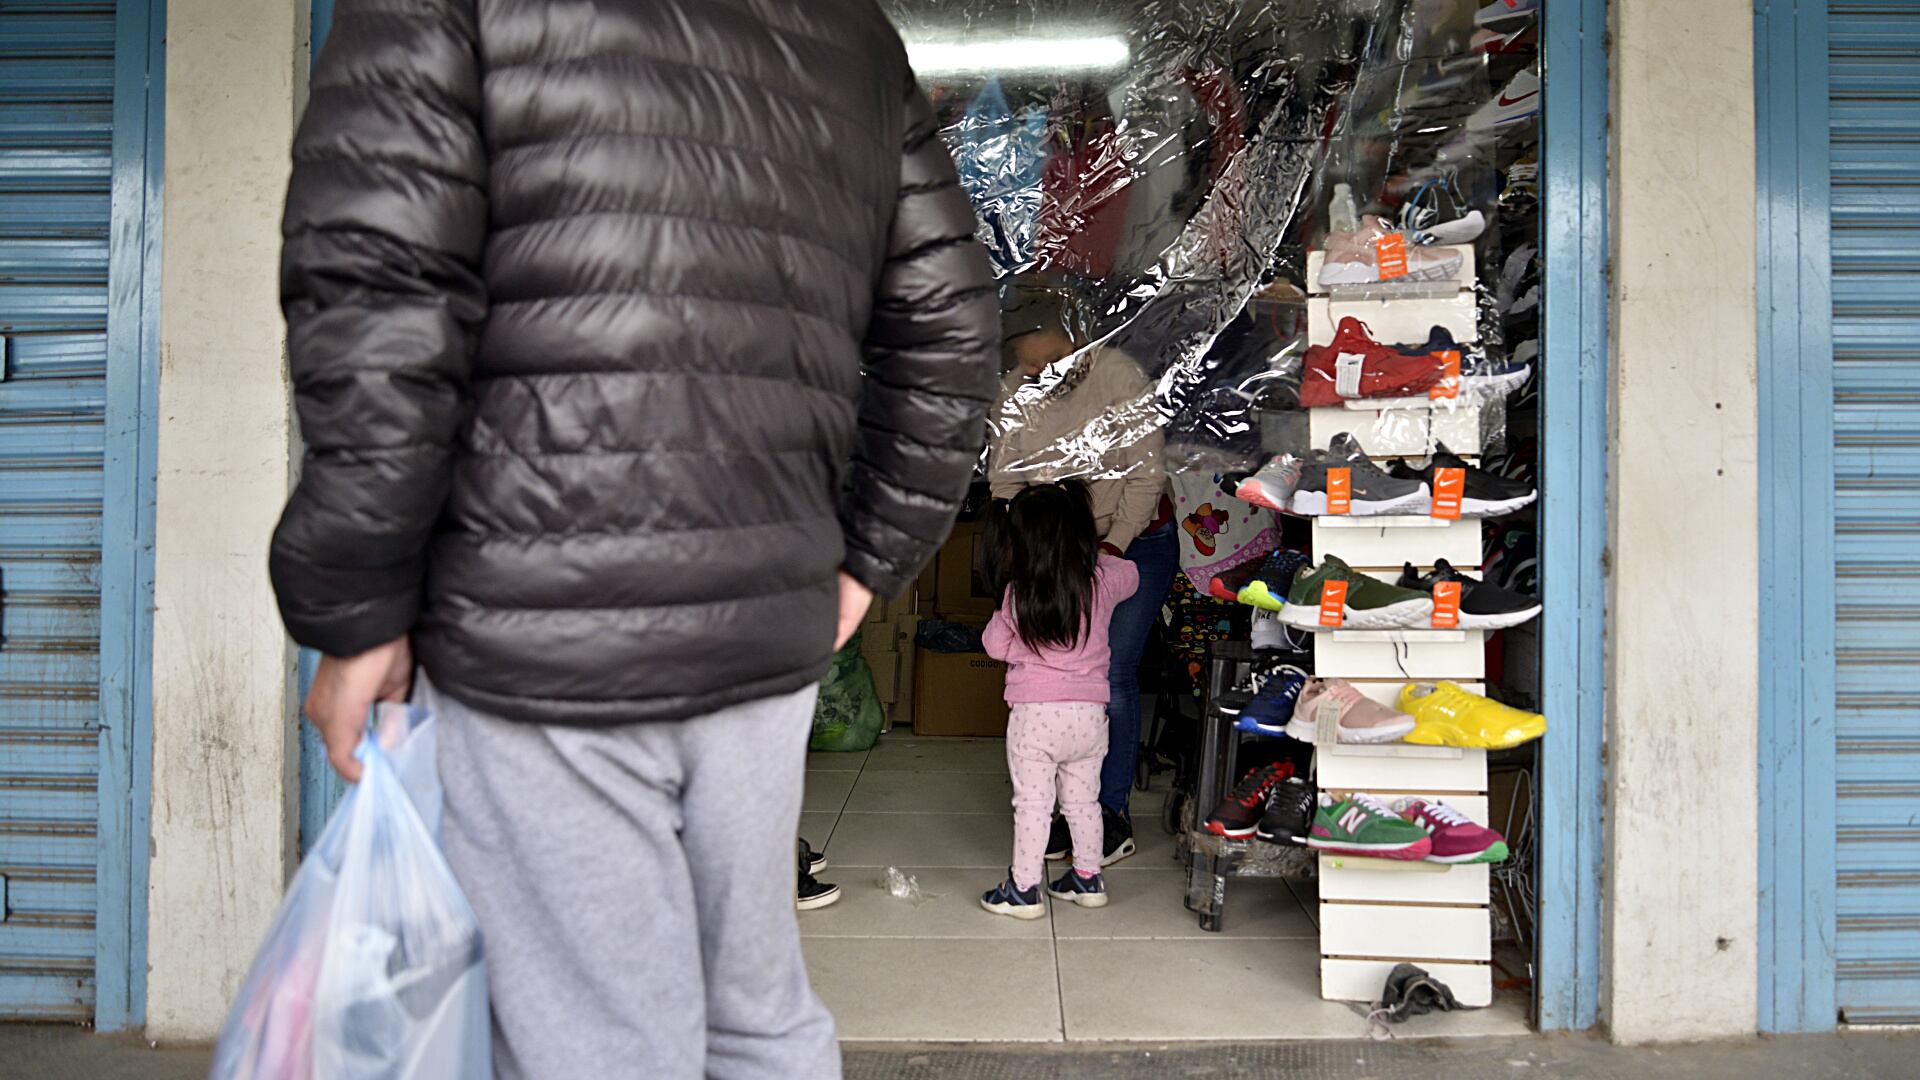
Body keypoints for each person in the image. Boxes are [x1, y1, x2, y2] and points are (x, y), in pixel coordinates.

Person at [270, 3, 999, 1077]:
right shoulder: (847, 31)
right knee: (756, 1019)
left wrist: (358, 608)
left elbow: (378, 303)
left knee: (597, 1039)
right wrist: (866, 560)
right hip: (764, 630)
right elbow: (952, 325)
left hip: (541, 634)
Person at [988, 293, 1177, 864]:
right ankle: (1064, 812)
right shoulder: (1016, 389)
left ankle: (1107, 813)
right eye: (1026, 362)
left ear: (1072, 339)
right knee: (1054, 673)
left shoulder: (1119, 376)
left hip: (1130, 541)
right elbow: (1004, 479)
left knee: (1109, 674)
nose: (1037, 371)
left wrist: (1108, 552)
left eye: (1046, 359)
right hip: (1054, 548)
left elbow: (1146, 477)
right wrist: (1027, 547)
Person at [978, 482, 1140, 917]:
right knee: (1083, 802)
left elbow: (994, 646)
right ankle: (1088, 878)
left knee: (1033, 805)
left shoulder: (1019, 592)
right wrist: (1097, 557)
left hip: (1035, 718)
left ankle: (1024, 889)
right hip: (1088, 716)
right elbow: (1133, 575)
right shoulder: (1102, 580)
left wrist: (1015, 637)